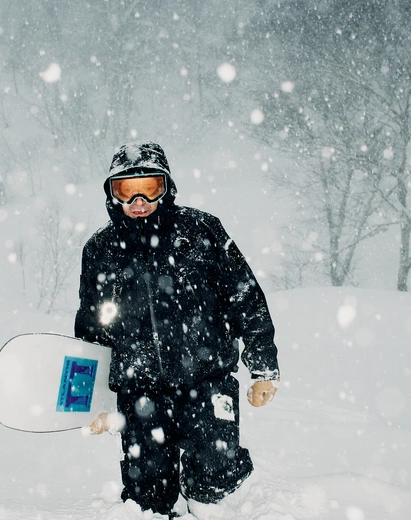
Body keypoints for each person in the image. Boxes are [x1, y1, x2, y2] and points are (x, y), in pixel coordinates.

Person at [74, 141, 280, 518]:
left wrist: (263, 367)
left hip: (206, 378)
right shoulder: (100, 250)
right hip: (139, 388)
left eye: (149, 188)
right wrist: (95, 402)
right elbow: (91, 332)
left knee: (217, 478)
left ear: (166, 187)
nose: (139, 201)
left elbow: (245, 297)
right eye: (126, 189)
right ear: (112, 194)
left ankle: (201, 498)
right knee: (147, 499)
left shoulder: (202, 231)